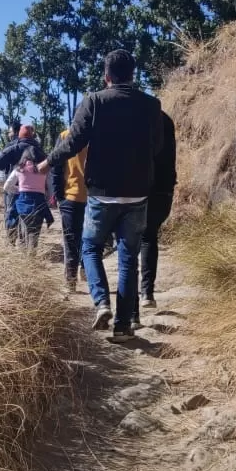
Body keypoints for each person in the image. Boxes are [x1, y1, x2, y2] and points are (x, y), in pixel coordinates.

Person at [39, 49, 163, 341]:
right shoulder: (151, 105)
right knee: (128, 257)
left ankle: (101, 302)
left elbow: (74, 141)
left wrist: (47, 162)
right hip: (137, 194)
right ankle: (123, 326)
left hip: (102, 193)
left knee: (90, 248)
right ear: (133, 75)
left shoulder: (94, 101)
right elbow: (156, 148)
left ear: (106, 76)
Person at [133, 110, 177, 325]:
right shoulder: (166, 120)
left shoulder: (136, 118)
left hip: (137, 188)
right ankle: (147, 293)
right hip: (164, 189)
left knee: (131, 241)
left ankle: (131, 309)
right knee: (150, 236)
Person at [0, 125, 46, 242]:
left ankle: (11, 241)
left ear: (19, 134)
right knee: (28, 216)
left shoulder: (14, 147)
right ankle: (26, 243)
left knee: (12, 213)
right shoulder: (39, 150)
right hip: (33, 190)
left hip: (13, 186)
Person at [52, 131, 87, 293]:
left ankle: (70, 282)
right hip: (96, 197)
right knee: (90, 240)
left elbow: (57, 166)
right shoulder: (100, 133)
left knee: (70, 241)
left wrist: (59, 196)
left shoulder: (66, 135)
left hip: (71, 195)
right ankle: (85, 271)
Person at [4, 145, 54, 250]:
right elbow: (50, 188)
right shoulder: (44, 170)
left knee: (23, 231)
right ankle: (31, 256)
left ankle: (24, 254)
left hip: (23, 206)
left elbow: (6, 186)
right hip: (39, 205)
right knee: (34, 233)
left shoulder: (19, 169)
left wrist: (19, 189)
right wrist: (49, 200)